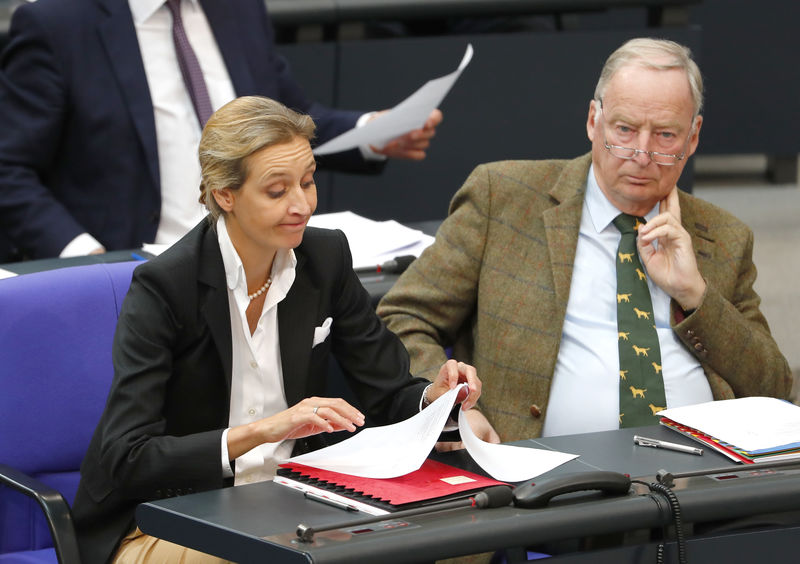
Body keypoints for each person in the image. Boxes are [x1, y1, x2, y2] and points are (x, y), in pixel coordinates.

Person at [70, 96, 476, 564]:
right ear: (225, 194)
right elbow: (128, 457)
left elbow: (387, 392)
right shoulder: (164, 287)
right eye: (277, 191)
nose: (301, 205)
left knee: (444, 538)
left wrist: (437, 398)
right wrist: (263, 430)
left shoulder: (325, 260)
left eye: (307, 183)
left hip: (292, 506)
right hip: (169, 515)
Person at [377, 37, 793, 443]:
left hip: (700, 483)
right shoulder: (503, 198)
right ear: (593, 120)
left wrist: (696, 295)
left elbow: (774, 388)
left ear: (694, 136)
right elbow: (403, 317)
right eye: (625, 130)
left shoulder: (722, 236)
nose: (642, 154)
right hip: (540, 480)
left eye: (666, 135)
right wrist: (449, 405)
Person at [0, 0, 442, 261]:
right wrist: (87, 259)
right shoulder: (58, 24)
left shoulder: (237, 8)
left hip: (257, 264)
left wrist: (372, 131)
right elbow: (9, 168)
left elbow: (288, 118)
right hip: (137, 268)